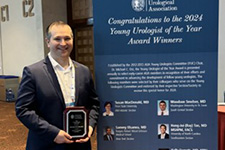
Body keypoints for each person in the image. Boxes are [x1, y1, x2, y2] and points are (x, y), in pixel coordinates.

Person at [15, 21, 100, 150]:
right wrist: (53, 133)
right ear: (48, 42)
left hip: (80, 144)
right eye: (57, 39)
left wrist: (90, 125)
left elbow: (94, 104)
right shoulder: (33, 72)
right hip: (47, 144)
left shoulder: (84, 71)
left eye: (67, 38)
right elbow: (23, 110)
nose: (63, 43)